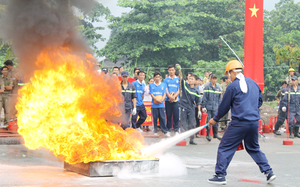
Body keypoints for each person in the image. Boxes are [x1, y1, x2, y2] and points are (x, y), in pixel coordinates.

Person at [207, 60, 276, 185]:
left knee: (225, 147)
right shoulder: (253, 83)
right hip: (254, 122)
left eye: (229, 73)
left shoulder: (232, 87)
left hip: (239, 123)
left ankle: (220, 175)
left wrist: (215, 119)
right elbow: (259, 102)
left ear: (233, 72)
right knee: (253, 148)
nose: (228, 77)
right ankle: (269, 172)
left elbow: (224, 106)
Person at [176, 65, 202, 145]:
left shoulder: (197, 91)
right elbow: (181, 77)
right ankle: (182, 138)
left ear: (195, 81)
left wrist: (199, 111)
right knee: (183, 123)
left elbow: (198, 102)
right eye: (189, 78)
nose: (190, 80)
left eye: (192, 79)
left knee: (192, 123)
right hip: (183, 106)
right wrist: (180, 69)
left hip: (191, 108)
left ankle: (192, 139)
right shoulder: (185, 85)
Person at [202, 73, 222, 141]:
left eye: (215, 78)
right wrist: (204, 106)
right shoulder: (207, 87)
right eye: (213, 78)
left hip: (215, 107)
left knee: (215, 120)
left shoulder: (218, 88)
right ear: (210, 79)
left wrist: (220, 107)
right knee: (208, 121)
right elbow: (204, 98)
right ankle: (208, 135)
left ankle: (215, 134)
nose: (214, 80)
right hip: (208, 107)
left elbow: (219, 99)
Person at [149, 71, 169, 137]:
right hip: (154, 105)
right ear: (154, 77)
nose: (157, 78)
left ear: (160, 78)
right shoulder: (151, 85)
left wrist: (162, 100)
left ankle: (164, 131)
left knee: (162, 118)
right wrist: (156, 99)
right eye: (156, 77)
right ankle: (155, 130)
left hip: (161, 104)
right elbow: (151, 93)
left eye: (159, 77)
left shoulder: (163, 85)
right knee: (155, 118)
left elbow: (164, 93)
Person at [164, 65, 180, 136]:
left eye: (172, 70)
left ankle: (176, 129)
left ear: (175, 71)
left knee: (176, 115)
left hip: (176, 100)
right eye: (170, 70)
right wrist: (169, 96)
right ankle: (168, 129)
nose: (171, 71)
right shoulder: (166, 80)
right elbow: (166, 89)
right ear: (168, 71)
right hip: (168, 100)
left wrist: (174, 96)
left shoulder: (178, 79)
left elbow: (179, 90)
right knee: (168, 115)